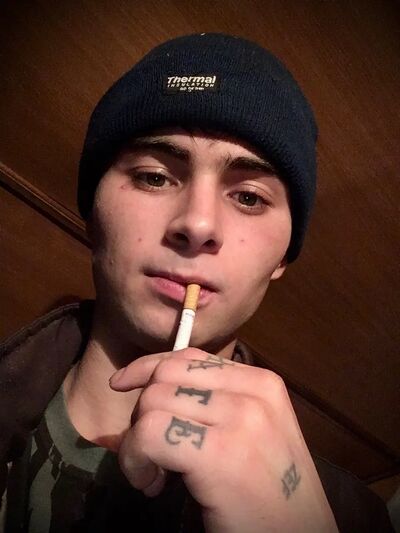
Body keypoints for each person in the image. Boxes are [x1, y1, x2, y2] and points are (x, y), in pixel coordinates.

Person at [0, 33, 394, 532]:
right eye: (154, 176)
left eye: (249, 197)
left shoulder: (353, 519)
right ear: (93, 210)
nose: (198, 224)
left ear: (283, 258)